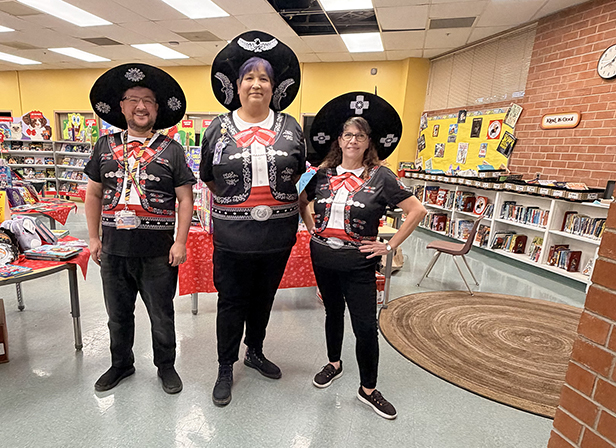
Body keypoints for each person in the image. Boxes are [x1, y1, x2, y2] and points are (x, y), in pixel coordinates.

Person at [299, 92, 426, 420]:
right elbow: (301, 200)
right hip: (323, 255)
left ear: (369, 142)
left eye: (360, 135)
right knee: (332, 313)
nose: (353, 140)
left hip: (360, 261)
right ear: (339, 141)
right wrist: (312, 227)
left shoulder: (382, 176)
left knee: (366, 326)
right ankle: (334, 364)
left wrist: (389, 245)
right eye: (347, 135)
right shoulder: (322, 173)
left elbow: (416, 210)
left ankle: (368, 389)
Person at [200, 31, 305, 407]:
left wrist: (296, 197)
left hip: (277, 236)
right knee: (231, 301)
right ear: (238, 86)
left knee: (264, 298)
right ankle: (225, 365)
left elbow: (304, 174)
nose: (256, 84)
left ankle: (255, 351)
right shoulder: (217, 127)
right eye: (249, 77)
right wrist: (236, 205)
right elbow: (208, 176)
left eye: (264, 78)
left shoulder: (292, 127)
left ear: (274, 87)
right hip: (232, 237)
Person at [84, 63, 195, 395]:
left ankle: (166, 367)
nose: (141, 106)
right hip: (114, 250)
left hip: (158, 253)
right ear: (122, 106)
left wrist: (180, 241)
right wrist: (92, 237)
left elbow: (185, 199)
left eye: (147, 100)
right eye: (133, 99)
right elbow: (92, 193)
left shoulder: (171, 149)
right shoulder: (104, 146)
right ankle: (121, 364)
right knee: (117, 316)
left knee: (162, 317)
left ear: (157, 109)